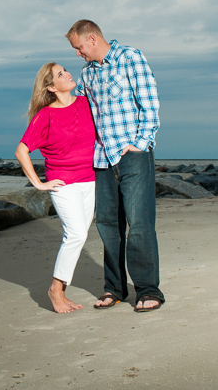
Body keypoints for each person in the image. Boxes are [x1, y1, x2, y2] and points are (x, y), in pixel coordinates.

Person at [66, 19, 164, 313]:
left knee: (139, 224)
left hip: (132, 155)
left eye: (78, 47)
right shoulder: (87, 74)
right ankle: (115, 289)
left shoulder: (130, 58)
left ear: (92, 39)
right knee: (108, 227)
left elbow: (149, 101)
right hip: (101, 159)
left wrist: (142, 141)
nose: (78, 54)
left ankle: (148, 290)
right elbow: (79, 109)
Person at [15, 62, 98, 314]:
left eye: (66, 70)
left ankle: (60, 290)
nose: (68, 74)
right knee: (76, 235)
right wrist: (39, 184)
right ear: (51, 87)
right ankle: (56, 289)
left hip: (90, 181)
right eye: (60, 74)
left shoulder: (86, 103)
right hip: (64, 185)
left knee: (79, 235)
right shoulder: (45, 116)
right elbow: (21, 151)